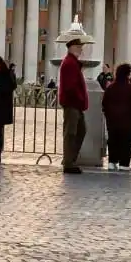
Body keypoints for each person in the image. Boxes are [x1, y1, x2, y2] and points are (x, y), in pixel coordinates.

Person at [58, 36, 90, 173]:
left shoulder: (73, 63)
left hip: (75, 104)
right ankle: (68, 163)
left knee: (80, 131)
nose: (81, 49)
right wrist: (80, 98)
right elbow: (71, 87)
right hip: (72, 104)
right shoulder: (70, 63)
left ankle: (70, 160)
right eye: (78, 47)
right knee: (71, 133)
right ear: (71, 48)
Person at [102, 63, 131, 171]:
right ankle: (124, 164)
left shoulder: (111, 87)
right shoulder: (130, 88)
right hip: (127, 121)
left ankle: (112, 162)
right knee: (126, 142)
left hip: (112, 120)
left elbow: (104, 103)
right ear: (127, 74)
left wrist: (108, 114)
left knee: (113, 140)